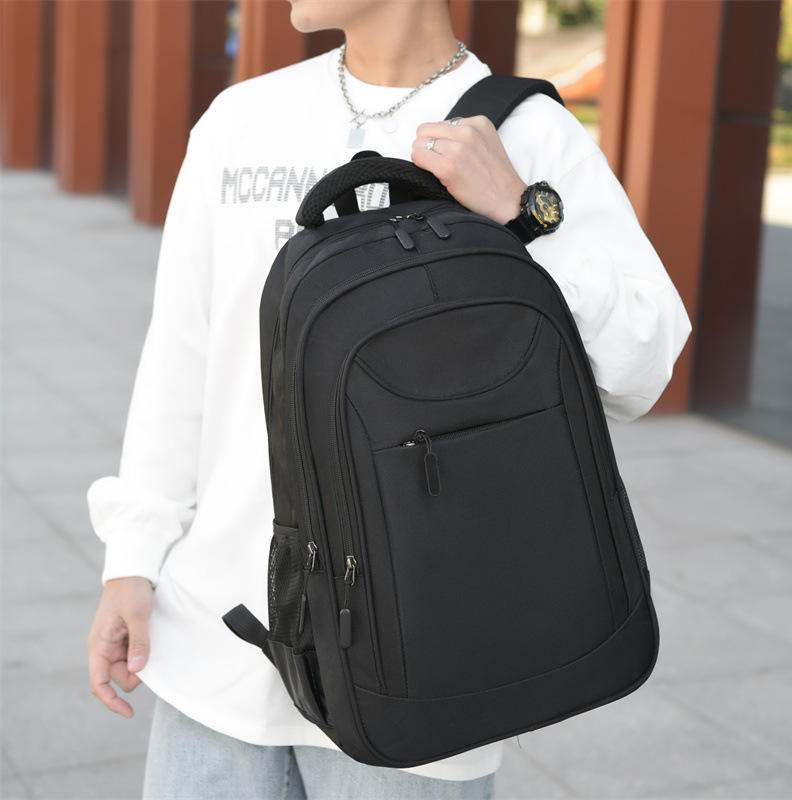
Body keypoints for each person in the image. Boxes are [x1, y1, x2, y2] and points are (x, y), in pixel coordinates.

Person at [85, 1, 692, 798]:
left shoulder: (526, 132)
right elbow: (182, 355)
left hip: (427, 672)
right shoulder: (240, 121)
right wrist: (132, 559)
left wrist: (520, 215)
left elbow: (642, 363)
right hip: (216, 642)